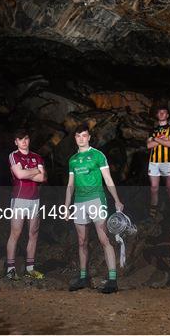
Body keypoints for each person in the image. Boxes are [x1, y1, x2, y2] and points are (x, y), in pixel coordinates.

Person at [64, 123, 125, 294]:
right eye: (78, 136)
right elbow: (70, 185)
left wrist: (117, 200)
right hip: (79, 202)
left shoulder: (98, 155)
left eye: (84, 135)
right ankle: (83, 277)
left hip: (97, 199)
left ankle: (112, 280)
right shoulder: (73, 160)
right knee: (82, 241)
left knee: (104, 239)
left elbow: (108, 179)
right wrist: (66, 206)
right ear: (75, 138)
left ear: (89, 137)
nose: (81, 138)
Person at [4, 129, 47, 280]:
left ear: (29, 140)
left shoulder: (37, 157)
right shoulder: (13, 155)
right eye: (20, 139)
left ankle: (30, 268)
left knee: (33, 234)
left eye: (26, 138)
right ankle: (10, 269)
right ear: (16, 141)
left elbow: (42, 178)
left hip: (35, 199)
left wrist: (27, 171)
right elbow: (19, 175)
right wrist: (34, 171)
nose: (24, 141)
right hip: (19, 198)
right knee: (15, 233)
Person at [146, 106, 170, 219]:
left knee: (169, 186)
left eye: (164, 112)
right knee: (154, 188)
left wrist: (156, 139)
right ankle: (153, 208)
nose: (162, 114)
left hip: (166, 161)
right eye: (160, 112)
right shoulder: (152, 130)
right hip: (153, 162)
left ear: (167, 115)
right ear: (157, 115)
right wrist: (163, 139)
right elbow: (149, 145)